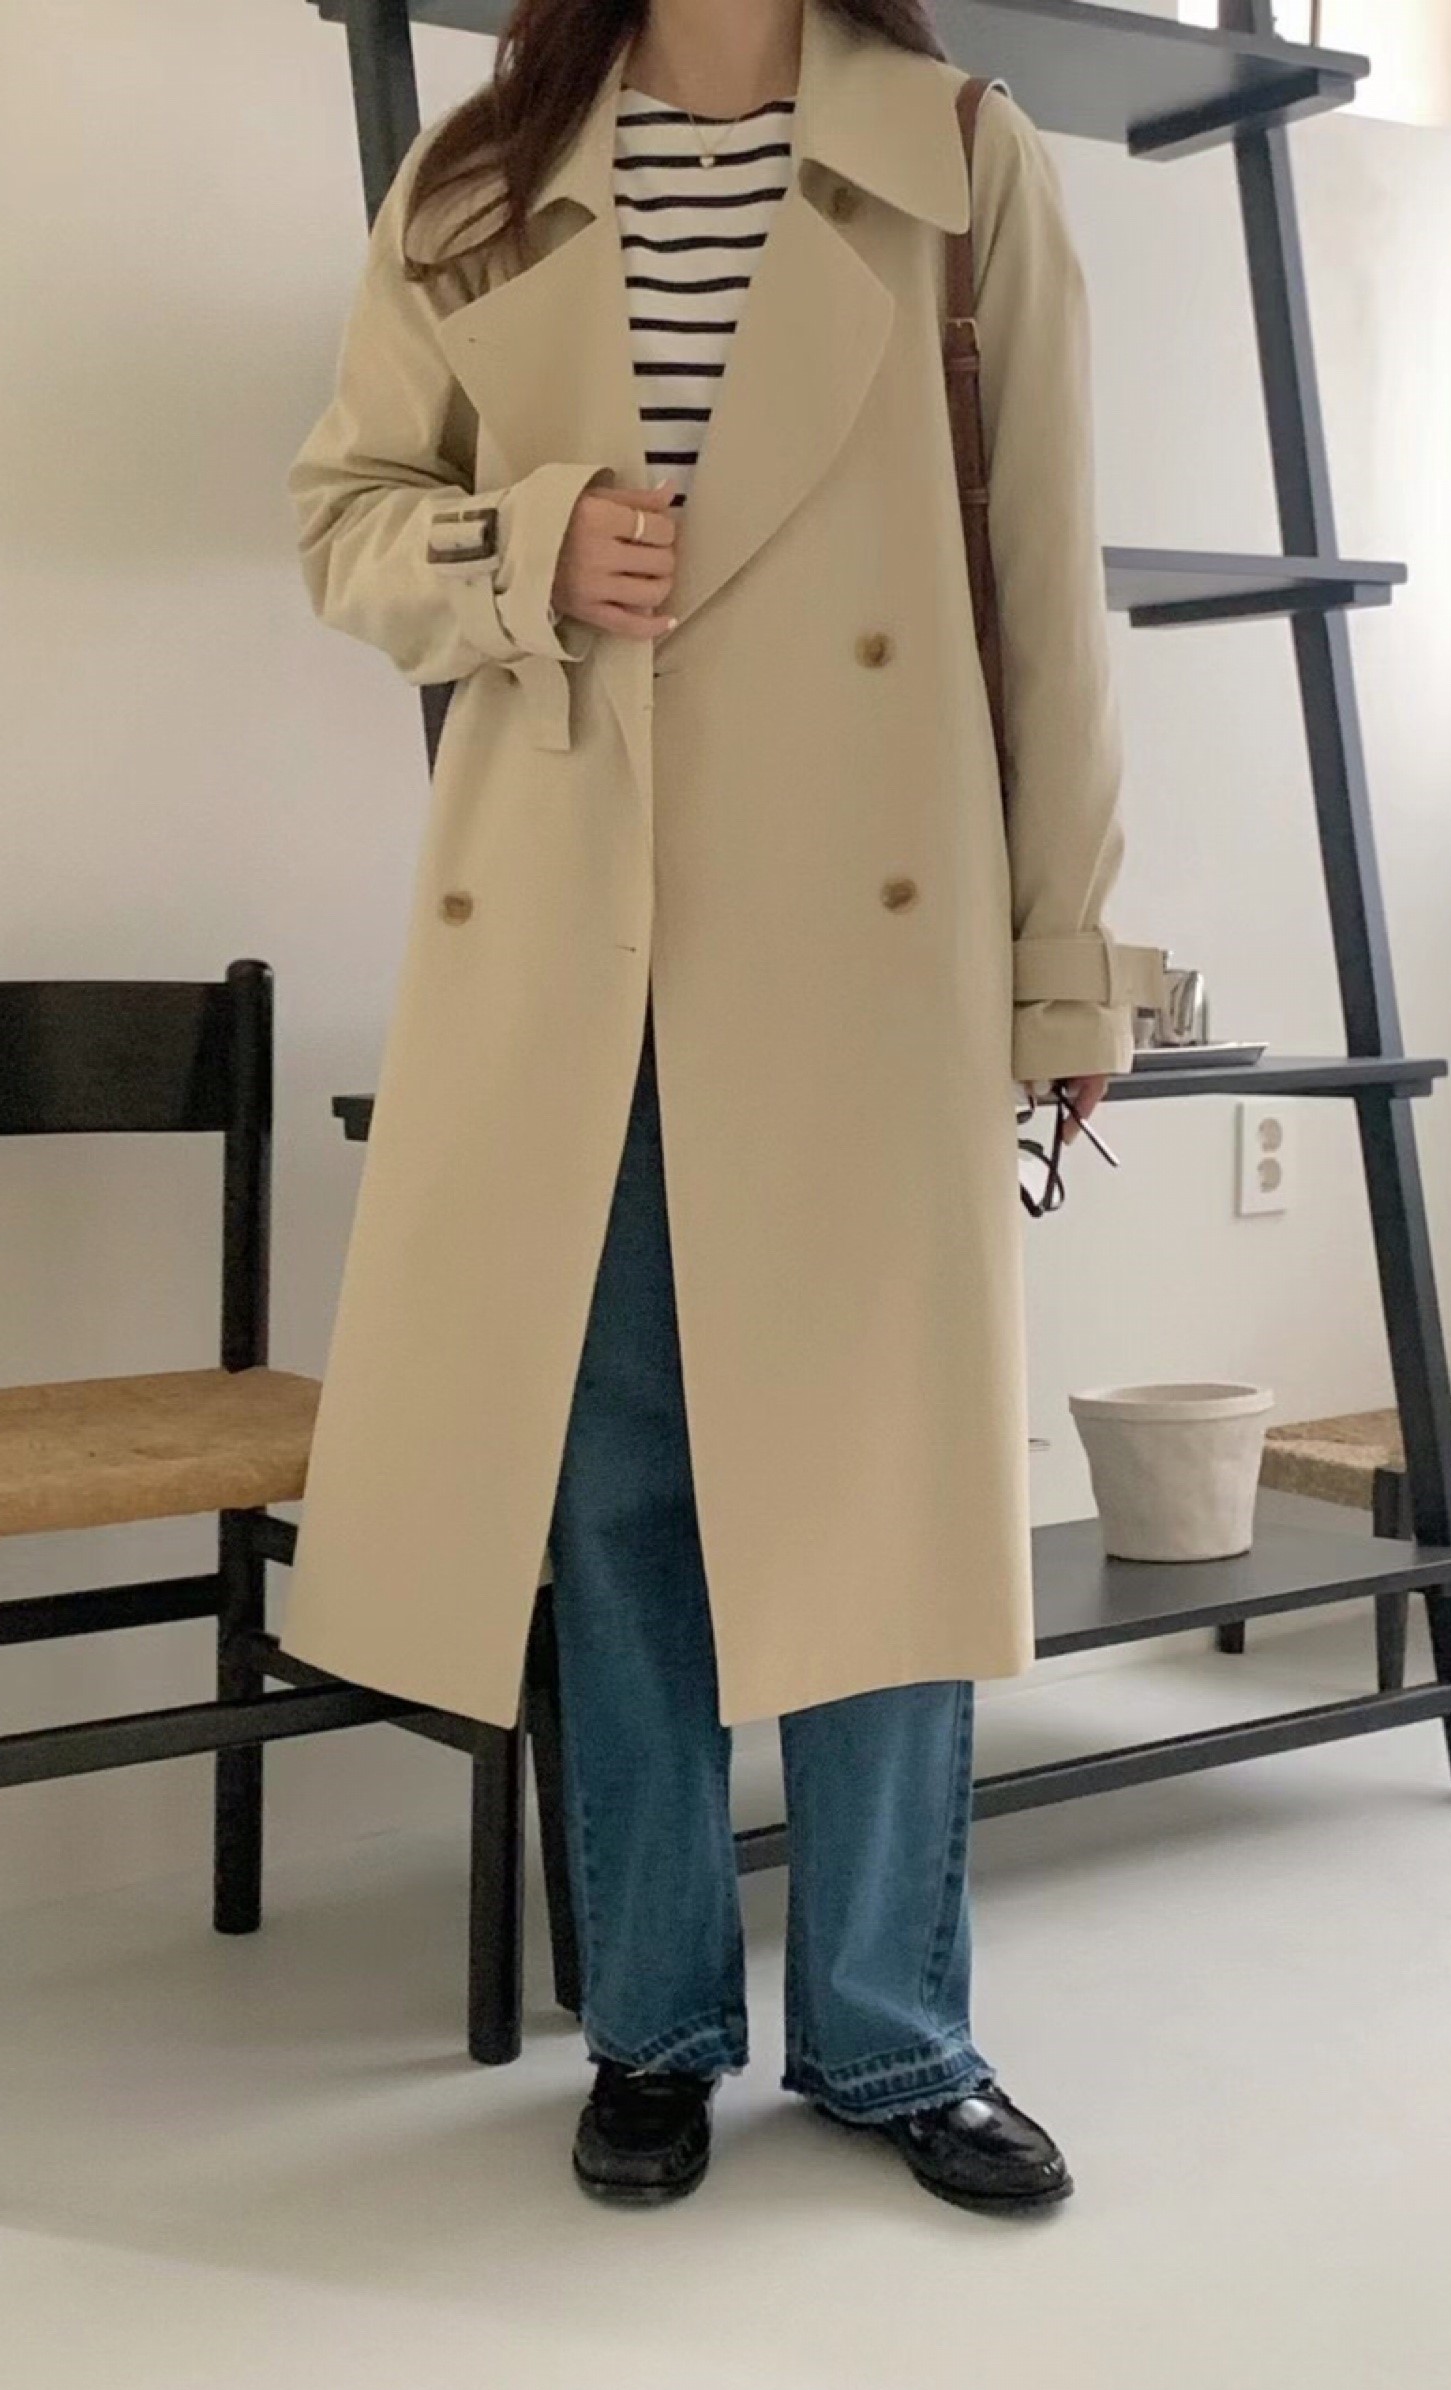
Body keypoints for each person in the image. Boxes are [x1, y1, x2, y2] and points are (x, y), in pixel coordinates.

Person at [285, 0, 1134, 2216]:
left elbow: (1049, 596)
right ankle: (654, 2027)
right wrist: (527, 551)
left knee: (886, 1496)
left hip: (870, 946)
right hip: (587, 943)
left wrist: (1066, 959)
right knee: (622, 1499)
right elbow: (345, 517)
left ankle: (892, 2033)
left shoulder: (963, 156)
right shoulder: (482, 170)